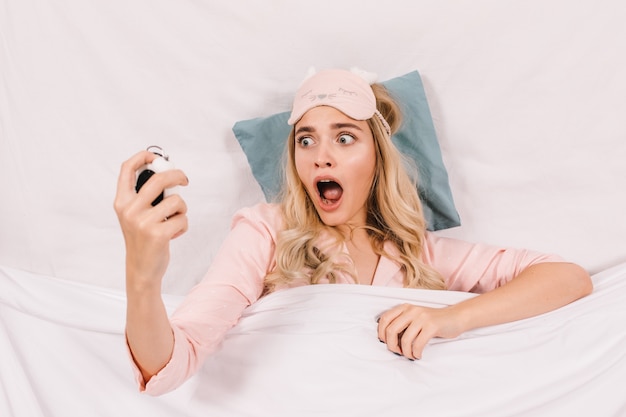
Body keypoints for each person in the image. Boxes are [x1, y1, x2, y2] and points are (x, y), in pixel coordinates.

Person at [114, 68, 593, 395]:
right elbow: (170, 365)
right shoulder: (264, 231)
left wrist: (451, 318)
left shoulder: (419, 255)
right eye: (307, 140)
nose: (322, 155)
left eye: (345, 137)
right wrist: (143, 275)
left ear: (377, 159)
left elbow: (567, 278)